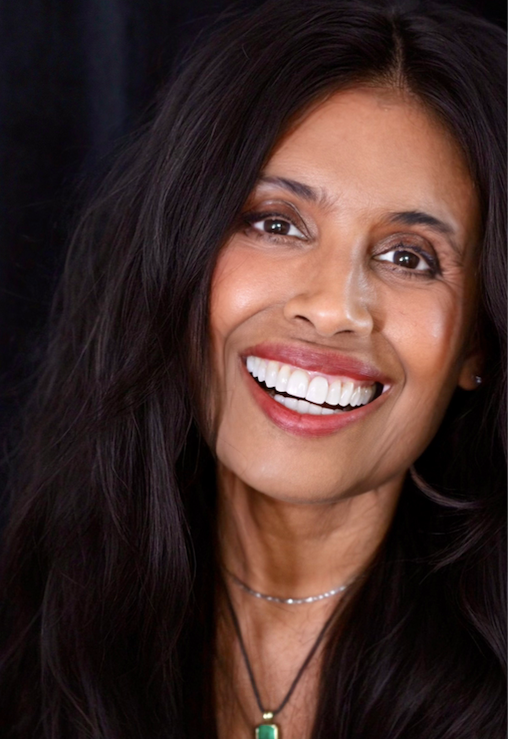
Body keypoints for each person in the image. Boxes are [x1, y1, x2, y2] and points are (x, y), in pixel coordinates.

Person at [0, 1, 505, 737]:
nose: (332, 308)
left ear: (478, 345)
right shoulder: (34, 627)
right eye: (276, 223)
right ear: (180, 259)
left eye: (409, 257)